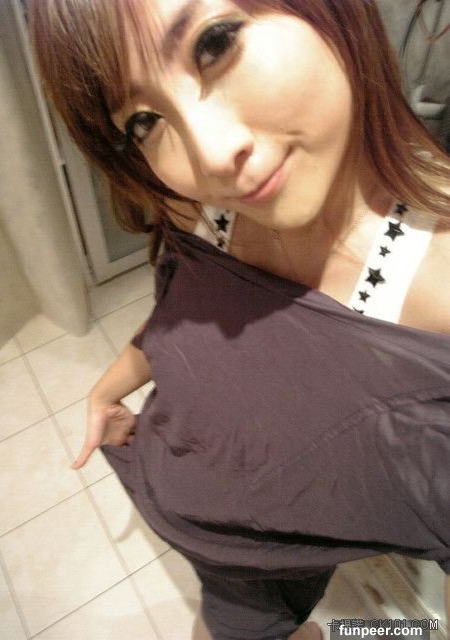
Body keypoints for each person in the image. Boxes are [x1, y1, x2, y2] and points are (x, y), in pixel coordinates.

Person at [29, 1, 450, 639]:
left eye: (215, 43)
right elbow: (184, 308)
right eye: (145, 120)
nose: (210, 156)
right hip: (219, 551)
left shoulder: (435, 297)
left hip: (281, 559)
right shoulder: (197, 208)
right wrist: (110, 385)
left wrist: (368, 634)